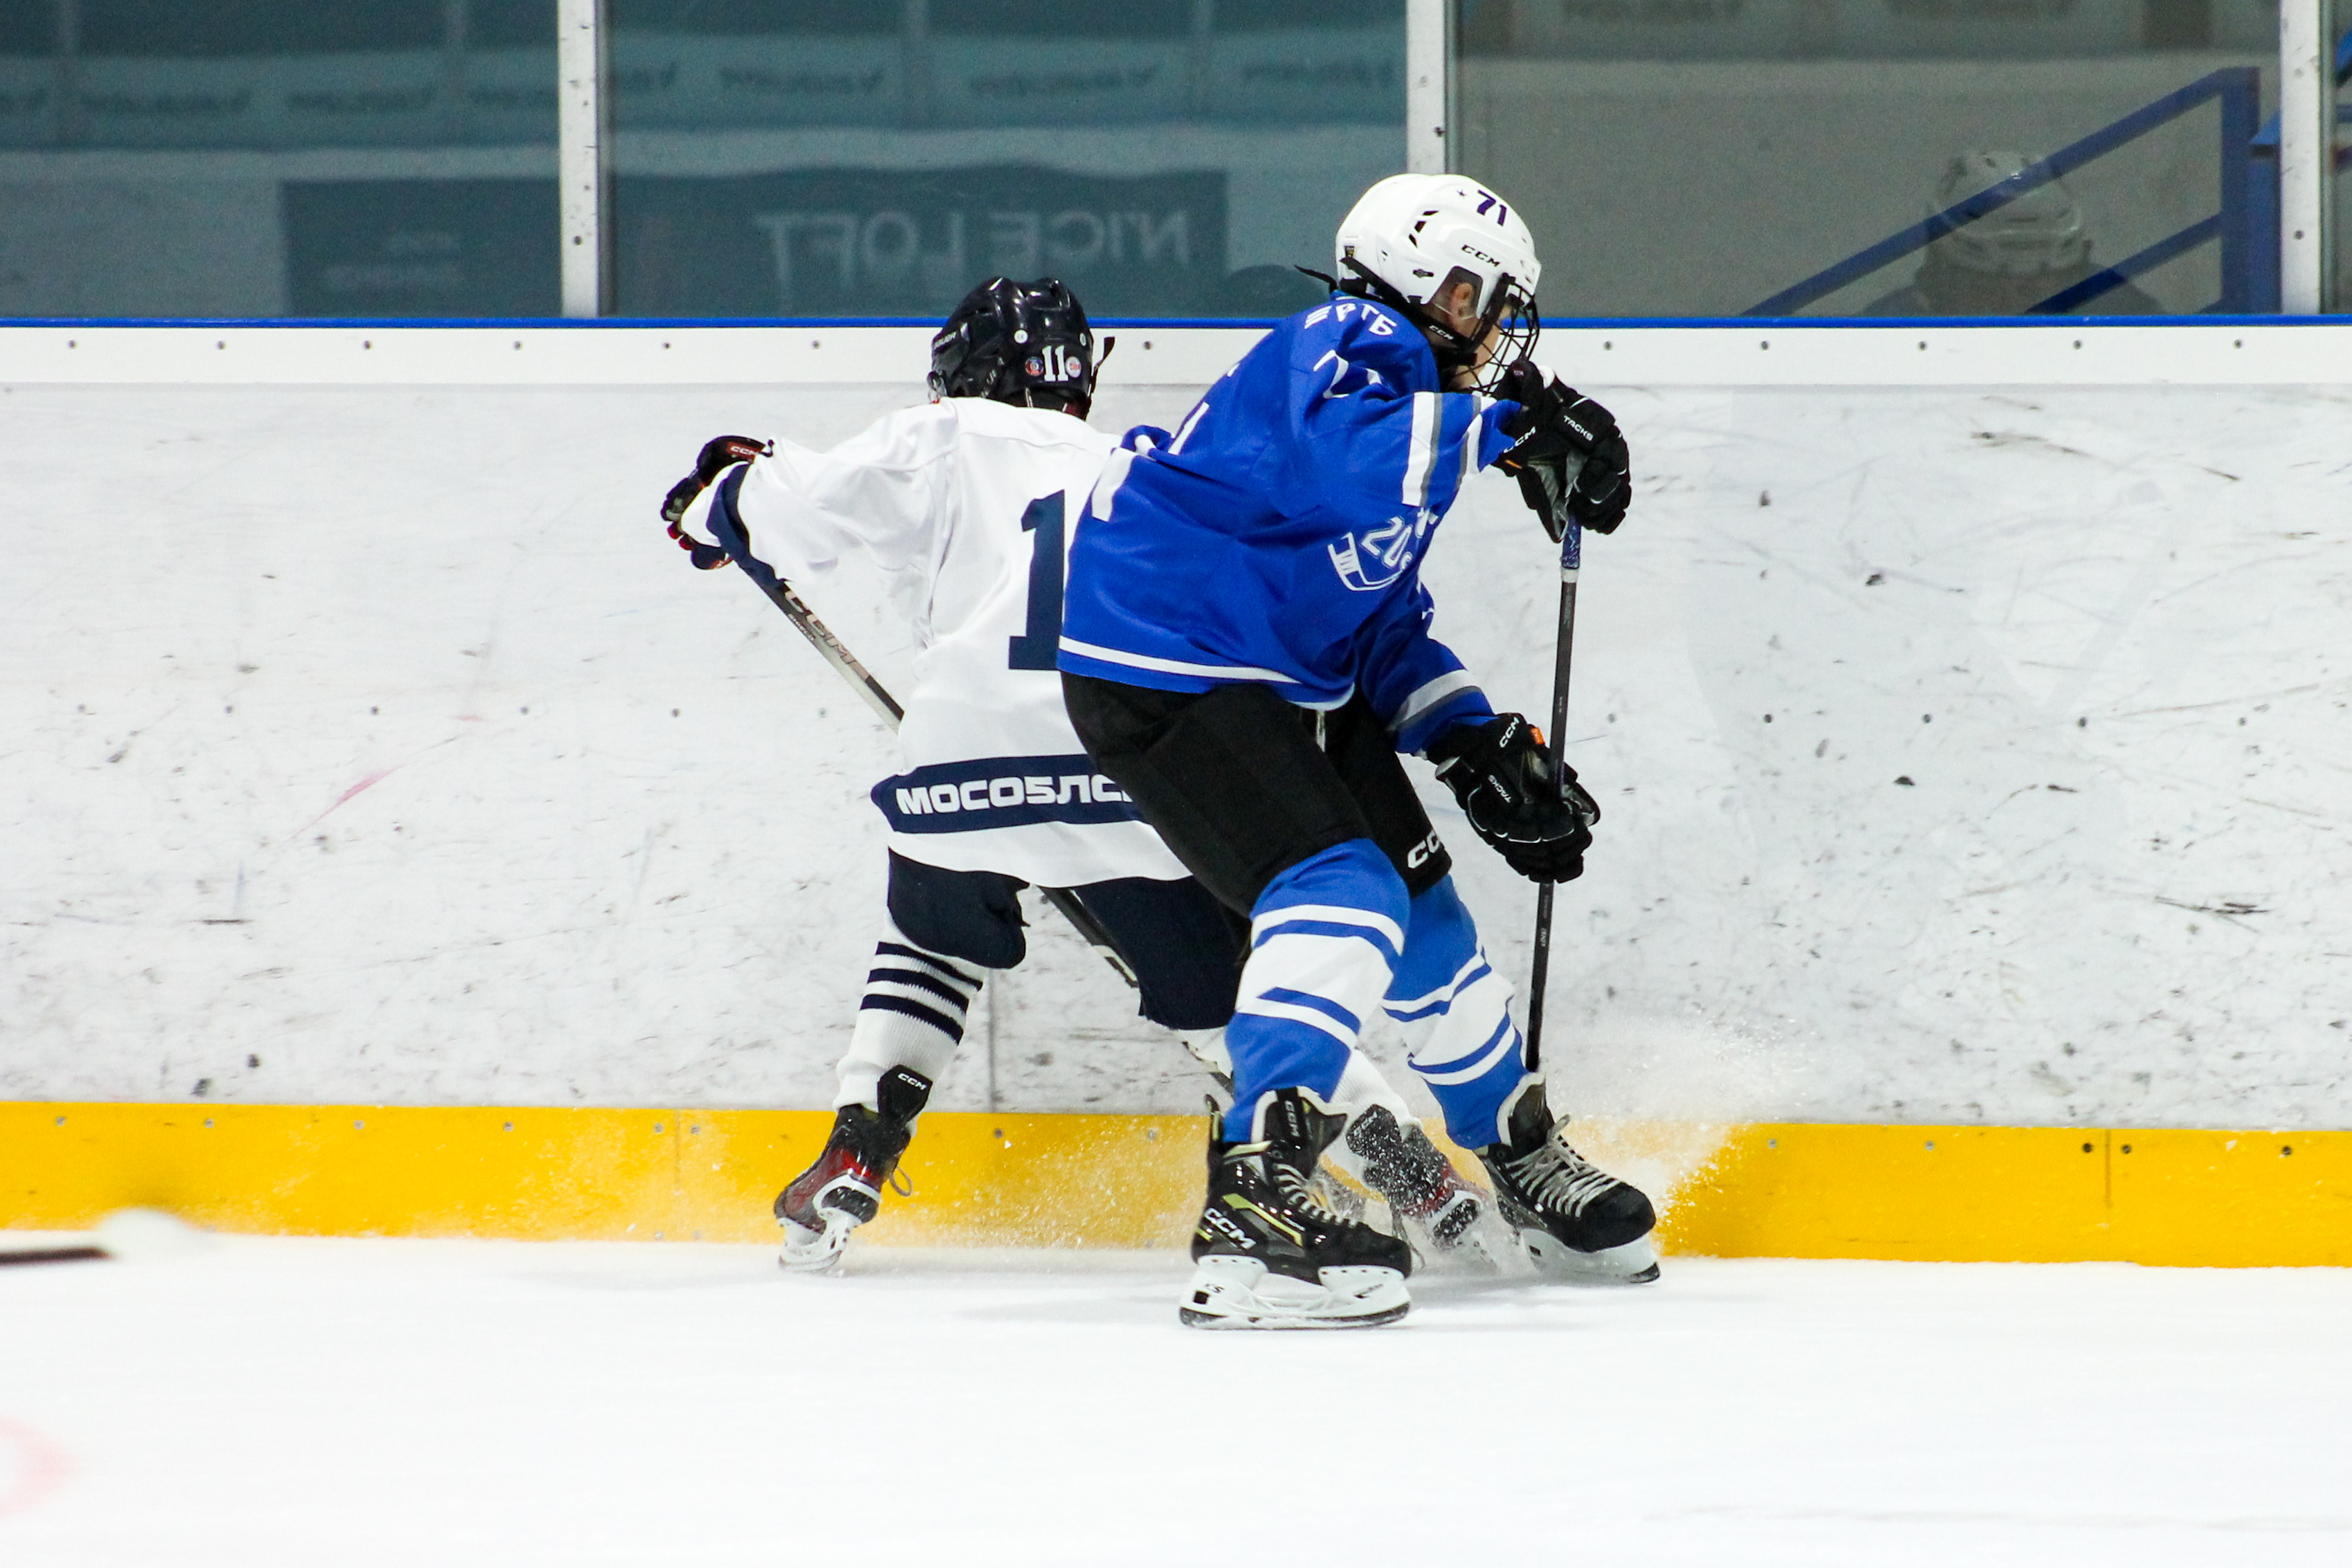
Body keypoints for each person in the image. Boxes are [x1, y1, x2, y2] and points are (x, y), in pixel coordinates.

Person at [658, 277, 1487, 1274]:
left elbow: (761, 508)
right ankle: (1408, 1171)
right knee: (1230, 1002)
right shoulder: (1134, 465)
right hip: (1129, 751)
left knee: (929, 934)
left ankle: (860, 1141)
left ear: (955, 370)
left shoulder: (938, 434)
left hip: (956, 762)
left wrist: (720, 494)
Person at [1059, 173, 1659, 1329]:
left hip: (1278, 681)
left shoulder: (1409, 403)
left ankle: (1515, 1155)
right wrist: (1509, 424)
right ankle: (1258, 1193)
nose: (1493, 330)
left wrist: (1468, 738)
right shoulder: (1343, 339)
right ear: (1426, 276)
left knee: (1421, 912)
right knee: (1335, 888)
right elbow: (1346, 459)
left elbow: (1374, 617)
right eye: (1485, 298)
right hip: (1168, 658)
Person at [1863, 150, 2163, 317]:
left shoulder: (2123, 314)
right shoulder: (1890, 328)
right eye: (1992, 289)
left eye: (2036, 286)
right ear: (1944, 273)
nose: (2018, 307)